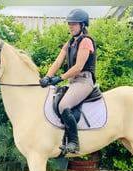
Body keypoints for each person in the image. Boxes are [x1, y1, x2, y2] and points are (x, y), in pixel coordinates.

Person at [39, 9, 96, 154]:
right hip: (73, 82)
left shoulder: (86, 41)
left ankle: (74, 142)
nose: (70, 26)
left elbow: (78, 67)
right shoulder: (69, 43)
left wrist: (60, 78)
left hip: (84, 81)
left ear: (83, 25)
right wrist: (47, 76)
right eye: (69, 24)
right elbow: (58, 62)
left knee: (64, 105)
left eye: (74, 24)